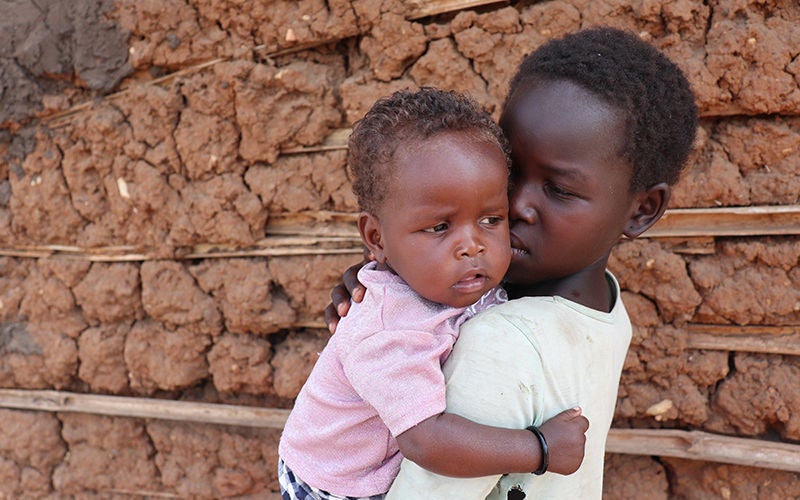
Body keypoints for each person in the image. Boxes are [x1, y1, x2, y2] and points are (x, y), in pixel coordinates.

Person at [327, 27, 699, 499]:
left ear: (642, 209)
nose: (515, 205)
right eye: (509, 170)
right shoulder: (603, 303)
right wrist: (392, 292)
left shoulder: (500, 343)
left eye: (560, 190)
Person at [278, 87, 589, 500]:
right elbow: (425, 441)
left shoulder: (459, 278)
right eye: (439, 227)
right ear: (376, 237)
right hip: (334, 484)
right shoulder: (388, 328)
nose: (472, 245)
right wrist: (541, 448)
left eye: (491, 218)